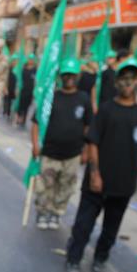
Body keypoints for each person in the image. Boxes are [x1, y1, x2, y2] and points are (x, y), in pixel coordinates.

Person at [66, 58, 137, 272]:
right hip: (97, 182)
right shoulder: (105, 110)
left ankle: (101, 257)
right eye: (124, 78)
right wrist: (95, 174)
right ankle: (74, 257)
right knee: (84, 224)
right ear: (116, 81)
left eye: (133, 78)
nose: (128, 83)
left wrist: (134, 178)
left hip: (122, 185)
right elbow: (93, 141)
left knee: (111, 228)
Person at [31, 57, 92, 231]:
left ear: (77, 75)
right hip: (50, 152)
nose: (69, 78)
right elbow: (36, 122)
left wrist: (86, 150)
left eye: (72, 74)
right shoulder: (50, 98)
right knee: (45, 186)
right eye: (66, 74)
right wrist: (35, 144)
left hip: (73, 154)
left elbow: (88, 126)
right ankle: (42, 212)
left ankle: (56, 213)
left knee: (65, 187)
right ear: (61, 76)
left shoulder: (84, 99)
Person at [17, 56, 36, 127]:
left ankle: (24, 120)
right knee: (21, 104)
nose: (31, 61)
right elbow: (19, 79)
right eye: (30, 59)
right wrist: (18, 88)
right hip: (23, 89)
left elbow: (36, 81)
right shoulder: (24, 69)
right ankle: (19, 118)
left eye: (32, 59)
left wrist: (35, 91)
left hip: (30, 91)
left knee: (27, 105)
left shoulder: (35, 70)